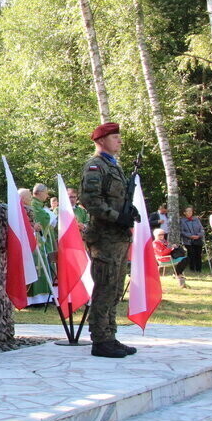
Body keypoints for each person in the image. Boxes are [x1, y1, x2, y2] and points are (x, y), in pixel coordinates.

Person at [79, 122, 138, 358]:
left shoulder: (115, 167)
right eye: (115, 137)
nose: (120, 141)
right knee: (104, 287)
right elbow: (91, 201)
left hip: (118, 236)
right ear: (101, 141)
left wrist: (129, 213)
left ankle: (110, 335)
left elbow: (118, 199)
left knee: (115, 289)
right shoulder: (95, 166)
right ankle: (100, 340)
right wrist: (117, 217)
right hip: (104, 237)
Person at [179, 206, 204, 273]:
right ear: (184, 213)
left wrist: (198, 235)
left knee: (198, 255)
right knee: (191, 254)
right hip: (188, 241)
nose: (190, 212)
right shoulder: (182, 220)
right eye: (188, 211)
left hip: (198, 240)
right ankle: (192, 269)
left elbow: (201, 229)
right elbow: (182, 231)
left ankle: (199, 269)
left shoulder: (196, 219)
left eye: (191, 211)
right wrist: (190, 236)